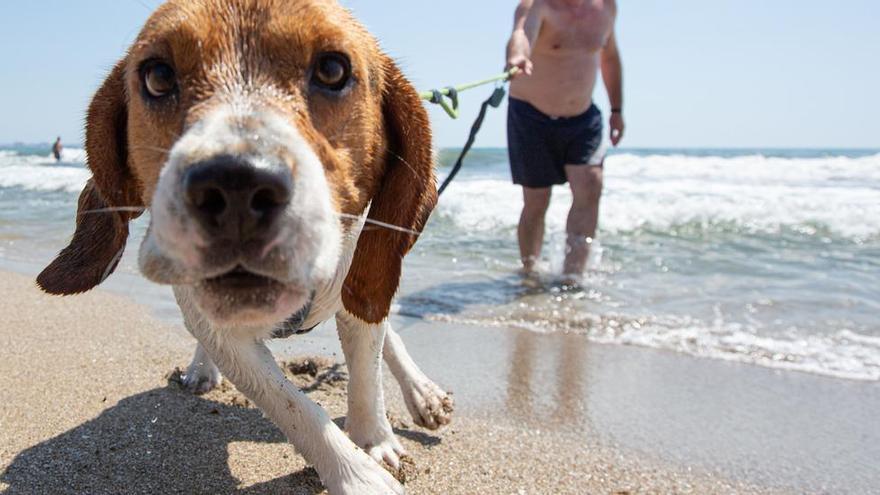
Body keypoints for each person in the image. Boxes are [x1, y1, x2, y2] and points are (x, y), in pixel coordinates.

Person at [506, 0, 624, 282]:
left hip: (582, 116)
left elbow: (609, 57)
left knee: (591, 185)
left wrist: (617, 110)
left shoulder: (606, 7)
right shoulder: (537, 5)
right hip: (531, 114)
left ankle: (572, 279)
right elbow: (522, 33)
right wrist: (517, 57)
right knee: (536, 199)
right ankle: (529, 272)